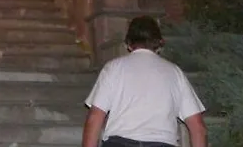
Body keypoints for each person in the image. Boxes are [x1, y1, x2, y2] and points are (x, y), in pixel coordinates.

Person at [82, 16, 207, 147]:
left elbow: (94, 119)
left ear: (128, 44)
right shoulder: (175, 73)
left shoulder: (113, 68)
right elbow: (198, 127)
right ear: (160, 43)